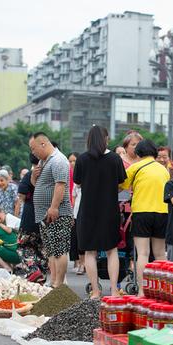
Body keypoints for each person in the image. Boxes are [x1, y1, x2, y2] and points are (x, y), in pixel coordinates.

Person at [74, 125, 127, 297]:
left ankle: (96, 291)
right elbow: (121, 183)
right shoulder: (114, 159)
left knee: (90, 252)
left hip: (87, 210)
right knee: (112, 250)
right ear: (106, 139)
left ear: (89, 140)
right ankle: (113, 290)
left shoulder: (82, 159)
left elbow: (78, 183)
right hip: (109, 210)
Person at [121, 139, 170, 295]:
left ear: (138, 153)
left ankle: (142, 290)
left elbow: (121, 186)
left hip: (142, 212)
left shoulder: (134, 168)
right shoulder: (164, 170)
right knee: (160, 254)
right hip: (162, 212)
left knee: (142, 253)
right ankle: (162, 289)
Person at [29, 132, 74, 289]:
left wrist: (54, 207)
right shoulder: (44, 161)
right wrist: (33, 177)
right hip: (45, 213)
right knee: (50, 250)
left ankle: (59, 284)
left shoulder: (58, 160)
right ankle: (54, 280)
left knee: (59, 249)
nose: (32, 153)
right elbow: (40, 185)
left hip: (58, 212)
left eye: (33, 149)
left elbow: (60, 184)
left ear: (43, 144)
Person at [17, 152, 48, 281]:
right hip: (46, 217)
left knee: (24, 246)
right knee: (43, 248)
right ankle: (41, 274)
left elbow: (22, 196)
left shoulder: (29, 176)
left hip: (30, 217)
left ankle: (33, 270)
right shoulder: (49, 175)